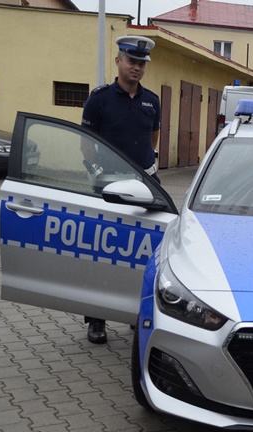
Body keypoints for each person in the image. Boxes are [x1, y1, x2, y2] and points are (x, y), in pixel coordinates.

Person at [80, 35, 161, 344]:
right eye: (131, 61)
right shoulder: (99, 98)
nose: (137, 67)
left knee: (143, 252)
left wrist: (146, 171)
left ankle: (134, 314)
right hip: (107, 186)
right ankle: (96, 320)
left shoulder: (152, 100)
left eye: (141, 63)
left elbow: (152, 137)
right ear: (118, 61)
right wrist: (97, 173)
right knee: (101, 251)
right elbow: (86, 141)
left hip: (145, 185)